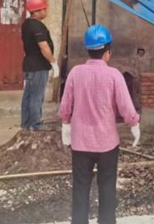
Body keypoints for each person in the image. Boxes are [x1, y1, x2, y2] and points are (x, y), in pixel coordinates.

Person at [59, 24, 140, 224]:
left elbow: (65, 105)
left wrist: (65, 124)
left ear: (88, 50)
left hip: (80, 142)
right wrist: (134, 124)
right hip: (107, 143)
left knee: (80, 187)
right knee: (107, 187)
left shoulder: (75, 73)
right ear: (107, 52)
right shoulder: (114, 75)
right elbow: (126, 107)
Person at [21, 0, 59, 131]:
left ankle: (26, 124)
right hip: (38, 65)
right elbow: (44, 47)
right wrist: (53, 63)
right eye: (44, 9)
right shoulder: (37, 26)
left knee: (28, 95)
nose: (46, 11)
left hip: (30, 64)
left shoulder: (27, 24)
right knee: (37, 96)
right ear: (36, 11)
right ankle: (36, 124)